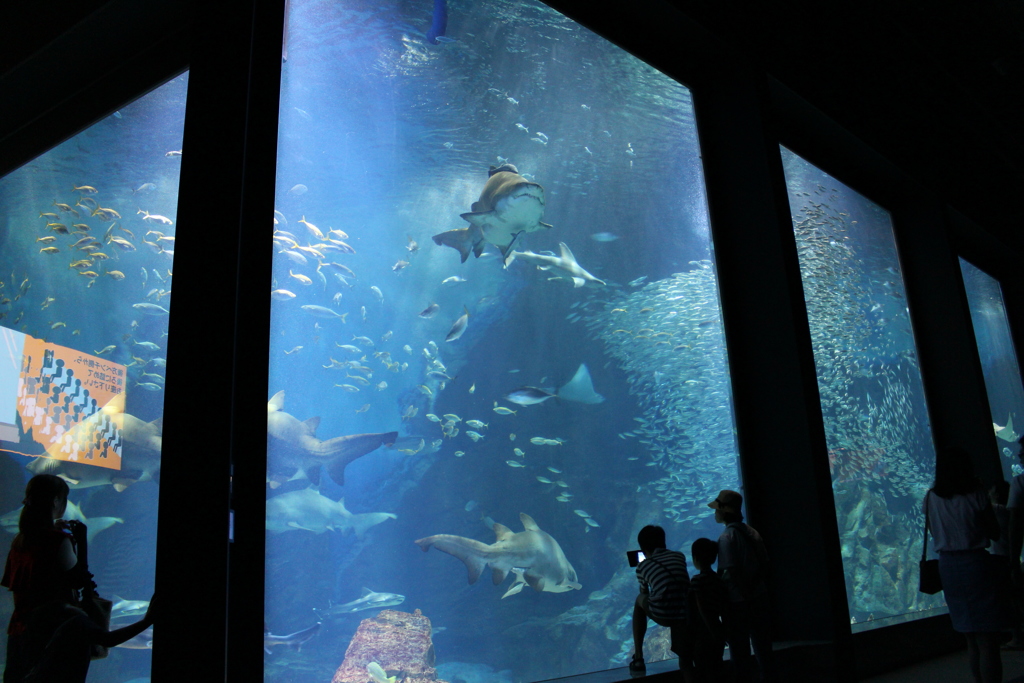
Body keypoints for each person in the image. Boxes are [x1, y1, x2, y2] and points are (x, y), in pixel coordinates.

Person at [2, 474, 155, 683]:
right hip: (57, 631)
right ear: (57, 501)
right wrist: (81, 543)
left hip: (20, 633)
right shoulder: (57, 543)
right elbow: (81, 581)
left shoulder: (19, 541)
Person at [927, 447, 1012, 683]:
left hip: (948, 567)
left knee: (970, 638)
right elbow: (994, 532)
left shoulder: (931, 497)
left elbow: (935, 533)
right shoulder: (976, 494)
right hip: (975, 563)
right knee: (988, 640)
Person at [710, 489, 776, 683]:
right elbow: (765, 565)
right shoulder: (752, 532)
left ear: (725, 511)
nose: (715, 513)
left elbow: (731, 571)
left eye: (717, 509)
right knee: (764, 649)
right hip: (760, 597)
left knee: (740, 652)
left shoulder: (726, 538)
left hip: (738, 602)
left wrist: (742, 595)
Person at [630, 525, 693, 679]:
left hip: (664, 614)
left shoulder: (642, 566)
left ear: (643, 549)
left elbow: (644, 593)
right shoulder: (679, 556)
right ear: (664, 542)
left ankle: (638, 657)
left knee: (639, 601)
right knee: (686, 659)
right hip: (687, 612)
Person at [689, 538, 728, 683]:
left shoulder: (697, 581)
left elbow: (701, 608)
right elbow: (724, 606)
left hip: (703, 633)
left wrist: (712, 630)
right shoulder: (719, 579)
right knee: (717, 667)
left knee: (702, 669)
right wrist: (721, 633)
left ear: (696, 558)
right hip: (718, 628)